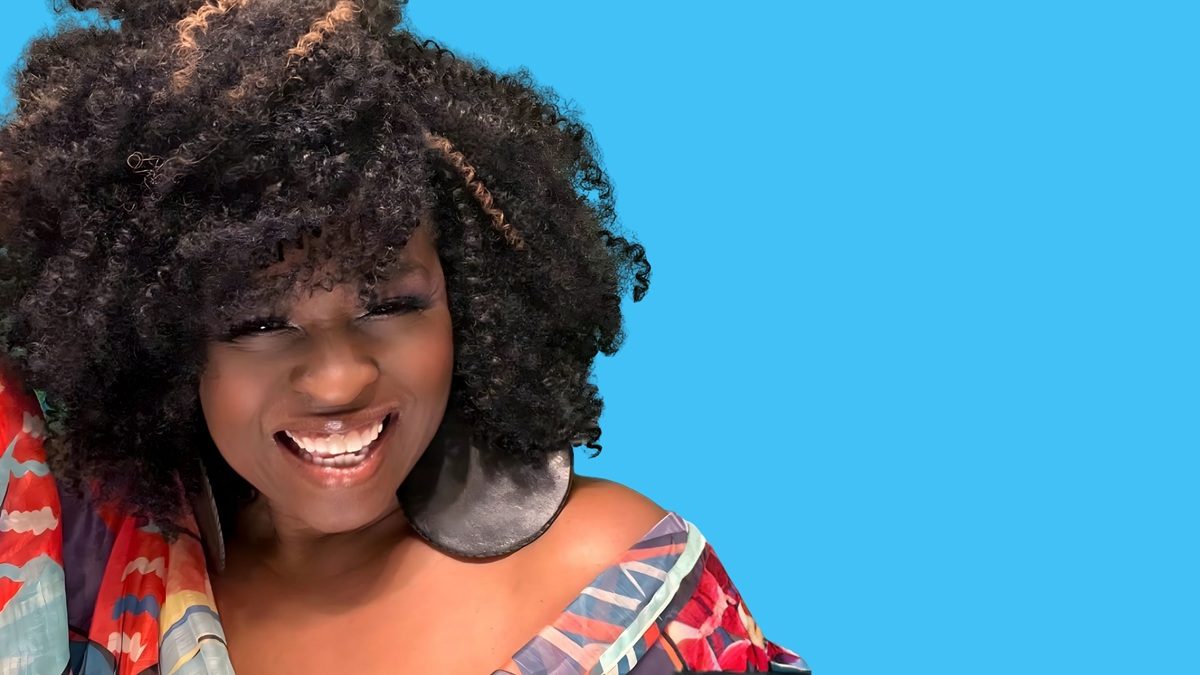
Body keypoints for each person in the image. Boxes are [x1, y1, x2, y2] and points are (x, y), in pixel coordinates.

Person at [0, 1, 811, 673]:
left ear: (471, 299)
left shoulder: (608, 580)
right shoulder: (100, 581)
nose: (338, 379)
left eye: (389, 304)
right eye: (258, 322)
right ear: (168, 345)